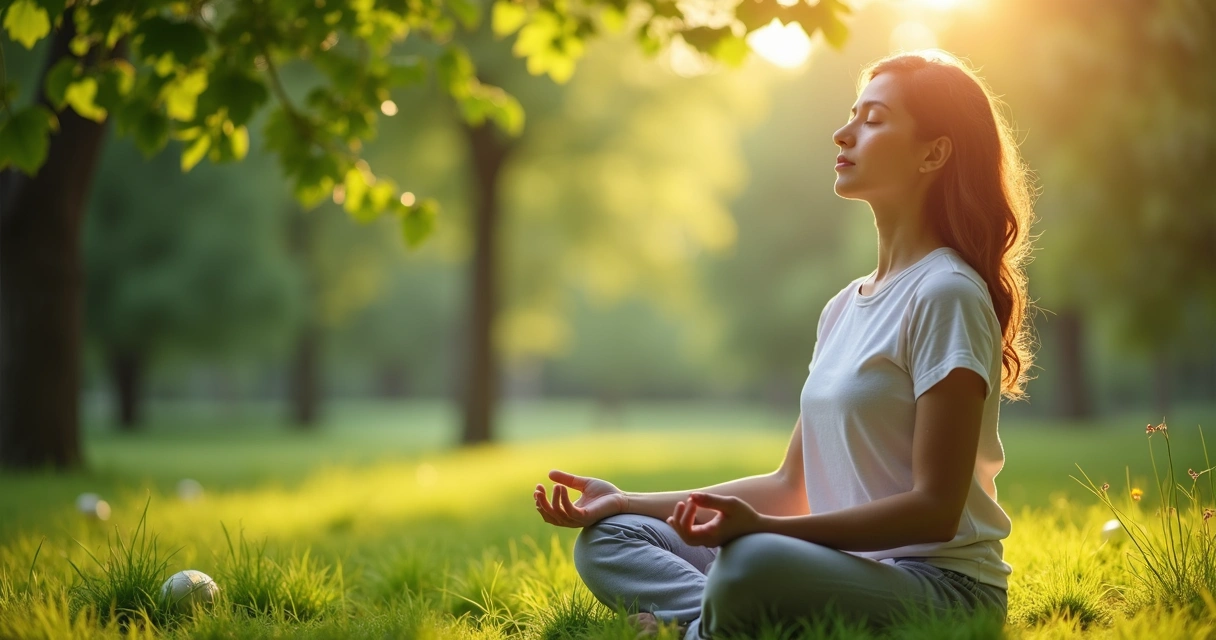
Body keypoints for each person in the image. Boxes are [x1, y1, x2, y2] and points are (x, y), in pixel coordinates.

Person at [532, 49, 1037, 640]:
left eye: (873, 120)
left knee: (753, 561)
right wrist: (626, 502)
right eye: (852, 114)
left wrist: (765, 534)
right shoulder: (844, 307)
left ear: (934, 152)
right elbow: (789, 485)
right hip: (835, 570)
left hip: (940, 590)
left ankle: (696, 628)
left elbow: (935, 509)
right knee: (610, 541)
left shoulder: (946, 292)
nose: (843, 132)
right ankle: (716, 618)